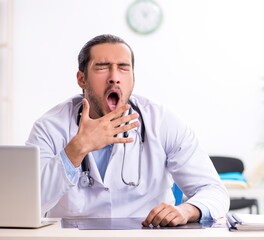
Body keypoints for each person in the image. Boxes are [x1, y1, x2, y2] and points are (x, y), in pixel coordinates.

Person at [26, 34, 229, 227]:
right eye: (102, 67)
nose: (114, 77)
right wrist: (77, 148)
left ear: (132, 78)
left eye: (123, 68)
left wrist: (188, 210)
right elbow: (28, 205)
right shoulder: (50, 128)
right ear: (81, 79)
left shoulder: (162, 122)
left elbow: (214, 191)